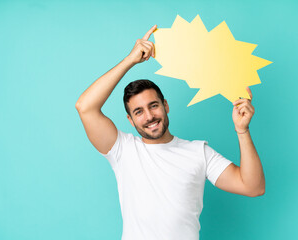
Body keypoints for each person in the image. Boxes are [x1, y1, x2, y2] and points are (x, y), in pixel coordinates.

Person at [75, 25, 265, 240]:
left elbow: (253, 187)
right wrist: (130, 60)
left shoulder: (198, 152)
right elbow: (85, 107)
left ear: (165, 105)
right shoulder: (122, 149)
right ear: (130, 120)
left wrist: (242, 130)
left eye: (153, 105)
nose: (149, 116)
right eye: (138, 111)